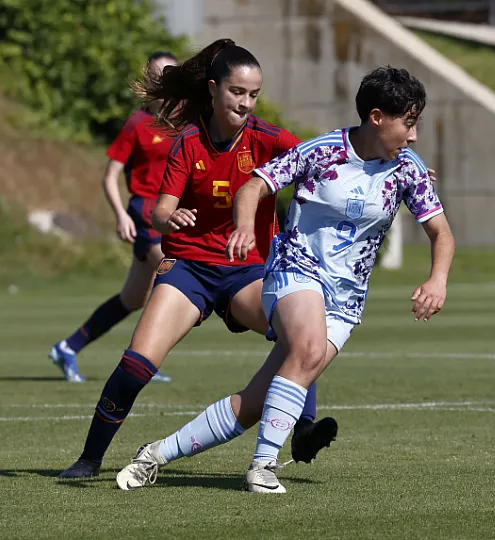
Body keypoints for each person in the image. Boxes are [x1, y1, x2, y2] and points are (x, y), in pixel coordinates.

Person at [112, 65, 455, 494]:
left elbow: (441, 233)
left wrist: (437, 279)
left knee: (256, 402)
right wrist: (243, 228)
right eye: (409, 122)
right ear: (376, 117)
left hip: (346, 299)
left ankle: (155, 454)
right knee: (308, 349)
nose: (414, 136)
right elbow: (252, 187)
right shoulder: (322, 151)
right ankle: (262, 467)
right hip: (296, 269)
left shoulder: (408, 168)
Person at [58, 39, 339, 479]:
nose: (245, 103)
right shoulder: (188, 142)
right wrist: (171, 218)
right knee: (137, 363)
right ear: (213, 89)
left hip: (248, 272)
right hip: (189, 269)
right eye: (237, 92)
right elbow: (160, 212)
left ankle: (303, 429)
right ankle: (89, 459)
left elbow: (328, 162)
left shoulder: (268, 138)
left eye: (253, 95)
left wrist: (393, 169)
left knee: (300, 336)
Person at [48, 51, 177, 384]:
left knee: (133, 299)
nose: (164, 82)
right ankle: (142, 360)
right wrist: (121, 215)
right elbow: (110, 177)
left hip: (169, 215)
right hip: (145, 214)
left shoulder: (183, 122)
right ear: (147, 80)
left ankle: (68, 347)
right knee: (176, 277)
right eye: (158, 75)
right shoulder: (138, 123)